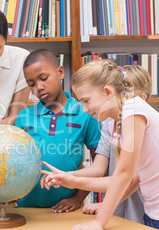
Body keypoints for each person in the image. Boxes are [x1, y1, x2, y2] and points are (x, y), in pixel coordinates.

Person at [40, 59, 159, 230]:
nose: (85, 109)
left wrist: (99, 222)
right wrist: (70, 180)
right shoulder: (117, 121)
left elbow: (123, 174)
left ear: (107, 92)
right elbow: (128, 180)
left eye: (86, 100)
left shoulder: (133, 109)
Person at [14, 49, 101, 213]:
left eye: (44, 78)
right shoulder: (23, 117)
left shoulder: (86, 113)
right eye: (31, 84)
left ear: (60, 72)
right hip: (26, 207)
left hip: (67, 208)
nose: (38, 87)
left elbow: (100, 164)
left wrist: (78, 198)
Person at [77, 65, 151, 224]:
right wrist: (66, 176)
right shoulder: (109, 124)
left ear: (141, 99)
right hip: (115, 211)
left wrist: (105, 206)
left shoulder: (143, 122)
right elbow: (98, 168)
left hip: (142, 213)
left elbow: (129, 179)